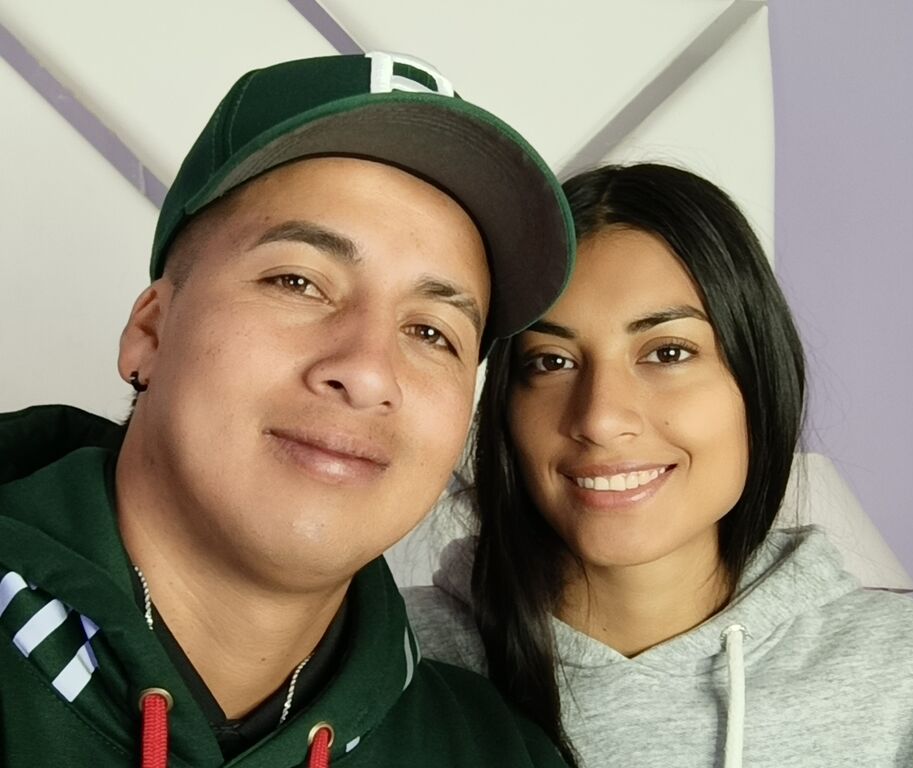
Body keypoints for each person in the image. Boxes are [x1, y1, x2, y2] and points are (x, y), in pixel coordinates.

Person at [0, 52, 576, 767]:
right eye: (298, 282)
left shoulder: (498, 754)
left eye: (432, 332)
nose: (367, 372)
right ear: (150, 332)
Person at [404, 163, 913, 768]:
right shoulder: (389, 656)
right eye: (551, 362)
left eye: (668, 353)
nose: (600, 417)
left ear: (757, 380)